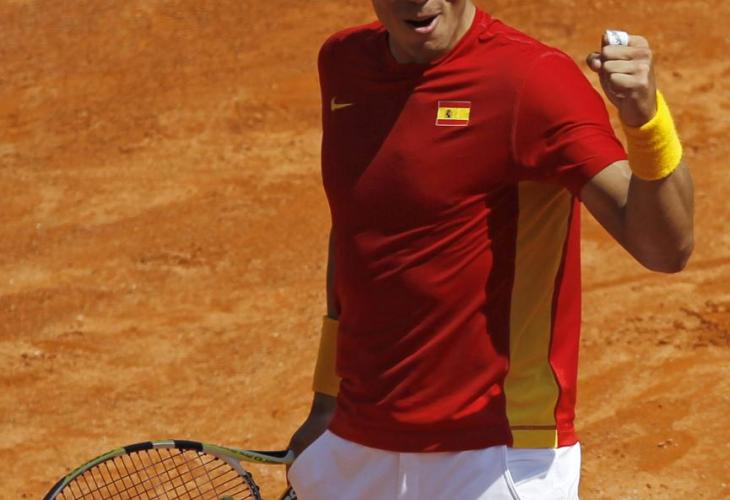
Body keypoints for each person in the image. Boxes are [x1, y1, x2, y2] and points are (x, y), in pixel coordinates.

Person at [285, 1, 694, 498]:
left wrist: (647, 121)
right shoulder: (344, 63)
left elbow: (665, 248)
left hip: (494, 457)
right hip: (357, 444)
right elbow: (355, 228)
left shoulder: (531, 81)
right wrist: (327, 401)